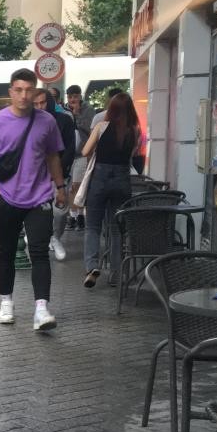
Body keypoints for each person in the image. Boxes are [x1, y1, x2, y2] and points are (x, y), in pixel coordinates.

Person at [0, 68, 66, 331]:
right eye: (18, 90)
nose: (24, 95)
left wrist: (60, 187)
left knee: (39, 252)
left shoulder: (47, 122)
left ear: (36, 92)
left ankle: (41, 309)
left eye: (28, 90)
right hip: (7, 199)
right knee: (6, 252)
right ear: (10, 92)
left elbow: (52, 156)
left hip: (39, 197)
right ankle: (6, 302)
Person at [81, 92, 141, 288]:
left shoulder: (101, 126)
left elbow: (85, 151)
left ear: (111, 109)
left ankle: (91, 267)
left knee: (92, 227)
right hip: (122, 180)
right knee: (116, 230)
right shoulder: (134, 131)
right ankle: (116, 274)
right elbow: (132, 154)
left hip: (100, 178)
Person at [34, 89, 75, 262]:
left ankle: (56, 237)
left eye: (43, 102)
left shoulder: (64, 120)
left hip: (60, 175)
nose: (40, 107)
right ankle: (43, 239)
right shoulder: (30, 122)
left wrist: (58, 171)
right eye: (36, 104)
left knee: (59, 212)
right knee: (40, 212)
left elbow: (70, 148)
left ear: (50, 102)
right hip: (37, 176)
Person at [65, 85, 95, 231]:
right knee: (70, 187)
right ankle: (73, 216)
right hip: (68, 154)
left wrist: (77, 115)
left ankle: (80, 216)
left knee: (77, 185)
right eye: (70, 97)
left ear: (80, 96)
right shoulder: (64, 110)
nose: (73, 100)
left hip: (82, 153)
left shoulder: (88, 110)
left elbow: (91, 130)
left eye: (75, 96)